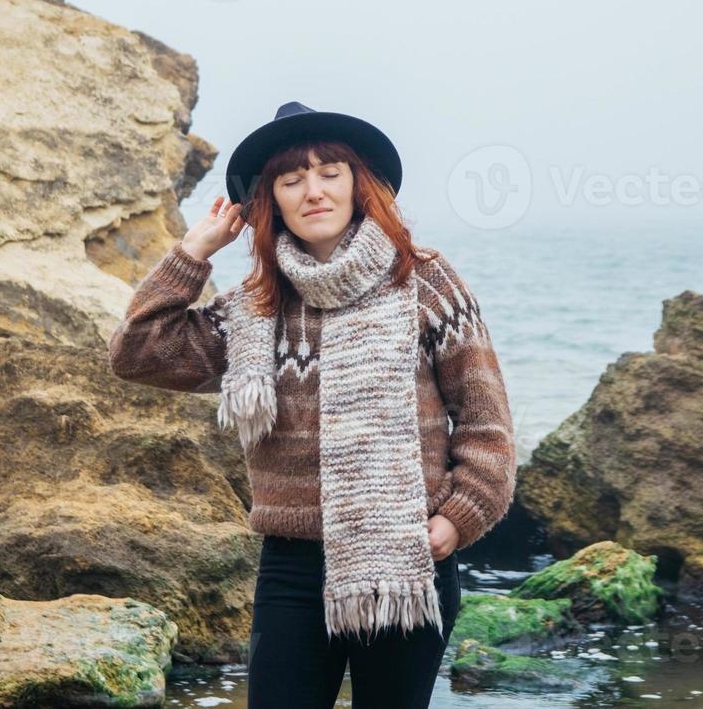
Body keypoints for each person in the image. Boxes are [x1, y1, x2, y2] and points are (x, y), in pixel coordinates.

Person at [108, 101, 517, 709]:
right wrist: (194, 251)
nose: (313, 191)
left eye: (330, 172)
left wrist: (458, 520)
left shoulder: (425, 283)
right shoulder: (255, 305)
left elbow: (487, 424)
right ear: (270, 200)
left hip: (403, 561)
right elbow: (137, 352)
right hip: (292, 570)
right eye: (291, 179)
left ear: (360, 184)